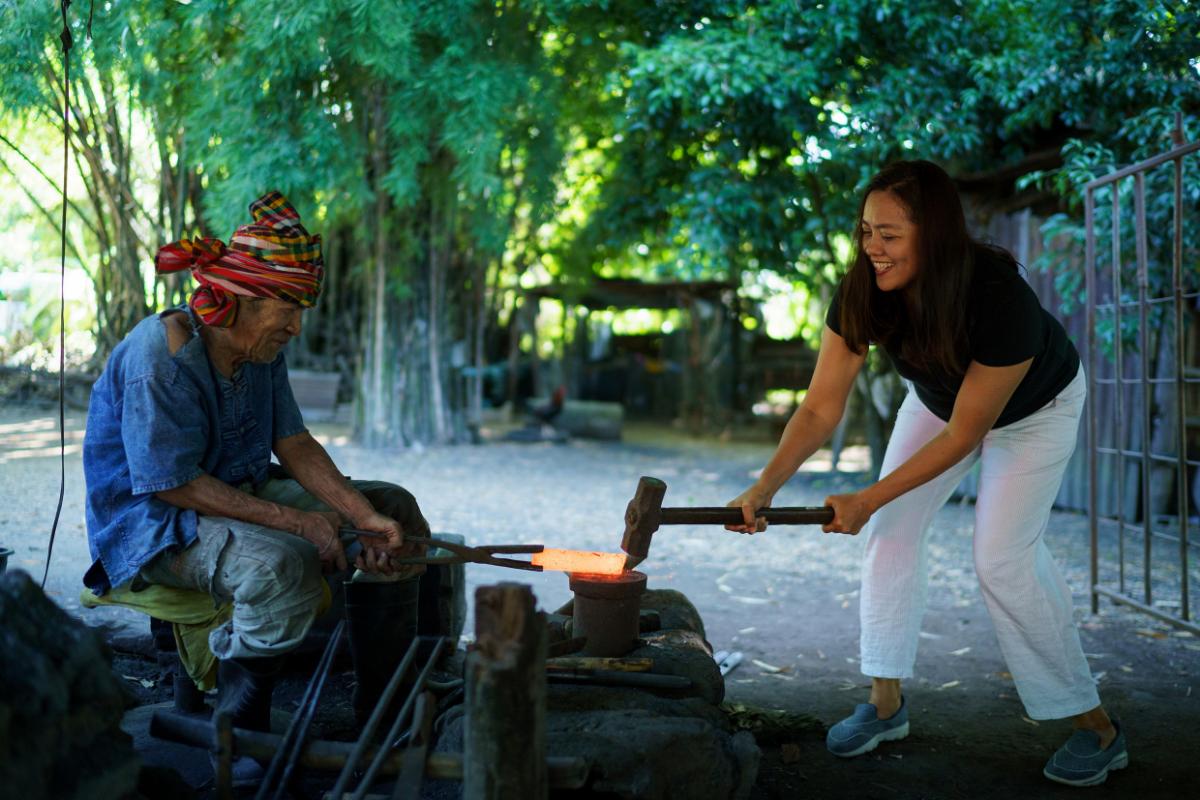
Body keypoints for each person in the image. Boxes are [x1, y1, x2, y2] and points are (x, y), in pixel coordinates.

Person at [727, 160, 1127, 787]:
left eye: (889, 235)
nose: (872, 249)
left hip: (1034, 412)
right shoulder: (863, 288)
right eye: (864, 231)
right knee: (890, 531)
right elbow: (820, 405)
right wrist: (764, 485)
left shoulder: (999, 298)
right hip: (937, 399)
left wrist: (865, 497)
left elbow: (967, 435)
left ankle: (1096, 729)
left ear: (933, 233)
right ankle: (886, 704)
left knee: (1001, 559)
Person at [82, 190, 427, 784]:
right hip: (151, 525)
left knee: (395, 507)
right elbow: (174, 484)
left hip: (235, 488)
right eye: (286, 308)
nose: (295, 325)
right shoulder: (160, 357)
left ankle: (384, 707)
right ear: (237, 299)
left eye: (299, 309)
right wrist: (300, 522)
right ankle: (245, 738)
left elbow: (292, 443)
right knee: (279, 566)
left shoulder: (263, 348)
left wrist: (360, 515)